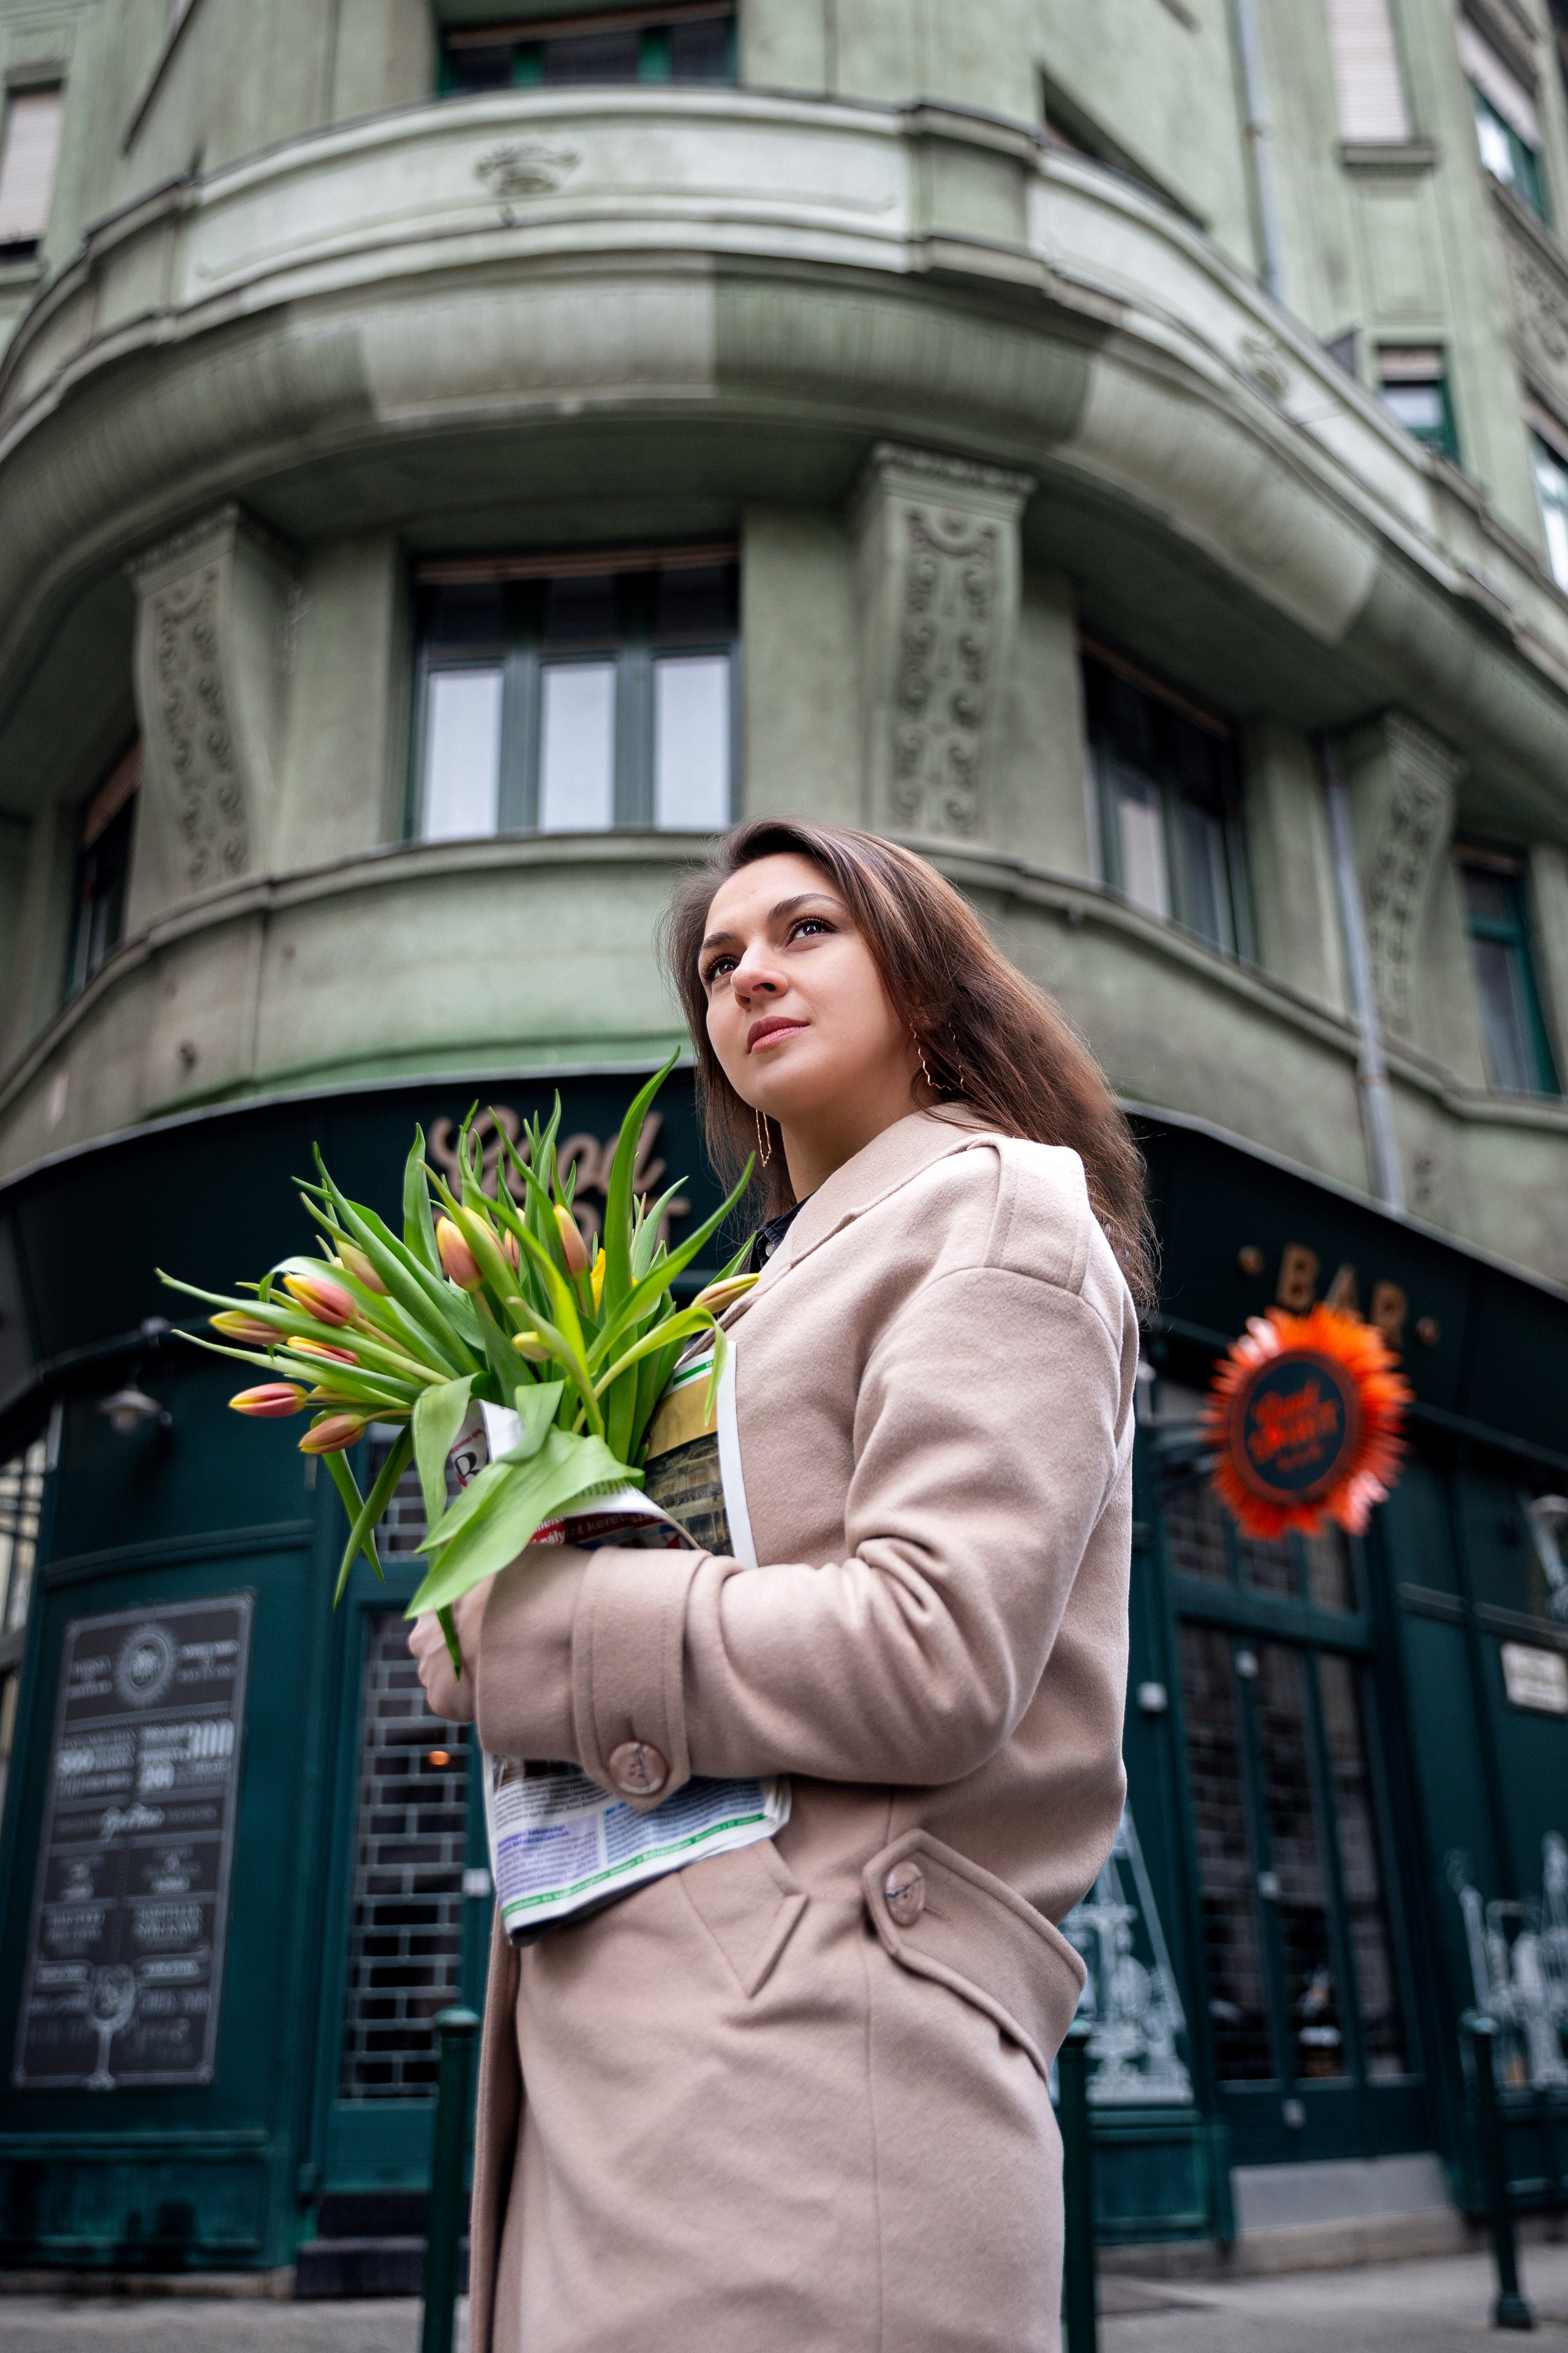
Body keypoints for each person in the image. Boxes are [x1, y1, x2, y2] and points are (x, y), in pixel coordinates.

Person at [409, 817, 1152, 2353]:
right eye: (718, 960)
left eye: (806, 931)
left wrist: (532, 1635)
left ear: (928, 989)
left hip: (817, 2070)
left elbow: (931, 1651)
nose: (749, 971)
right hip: (635, 2064)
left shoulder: (995, 1207)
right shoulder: (734, 1305)